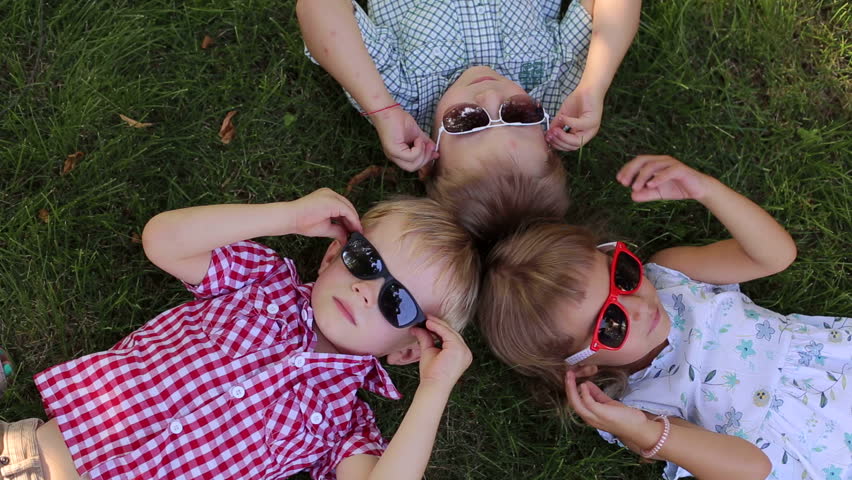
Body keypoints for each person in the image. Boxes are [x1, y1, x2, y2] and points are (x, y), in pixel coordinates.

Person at [0, 189, 481, 480]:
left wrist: (435, 388)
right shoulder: (263, 280)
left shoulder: (345, 423)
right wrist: (289, 216)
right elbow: (163, 241)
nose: (364, 290)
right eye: (366, 260)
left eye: (397, 302)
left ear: (407, 350)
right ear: (335, 255)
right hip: (31, 459)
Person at [478, 155, 851, 479]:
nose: (639, 306)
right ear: (583, 366)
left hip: (832, 368)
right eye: (611, 325)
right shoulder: (632, 406)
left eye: (622, 276)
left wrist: (705, 189)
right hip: (808, 453)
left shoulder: (670, 275)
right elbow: (754, 469)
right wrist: (646, 432)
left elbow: (774, 256)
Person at [296, 0, 640, 190]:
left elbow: (319, 7)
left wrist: (382, 110)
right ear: (546, 136)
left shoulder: (397, 97)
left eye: (467, 122)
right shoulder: (557, 95)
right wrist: (595, 85)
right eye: (517, 116)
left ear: (431, 159)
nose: (489, 98)